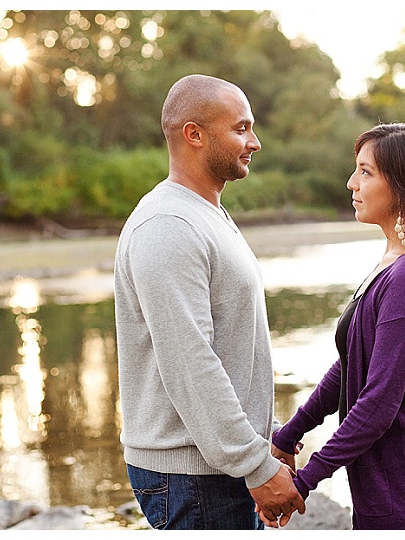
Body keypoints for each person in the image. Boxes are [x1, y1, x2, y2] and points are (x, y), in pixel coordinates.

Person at [270, 123, 405, 530]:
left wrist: (304, 482)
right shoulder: (394, 263)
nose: (352, 182)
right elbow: (351, 363)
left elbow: (377, 404)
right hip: (385, 478)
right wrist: (290, 433)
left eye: (366, 171)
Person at [114, 74, 305, 530]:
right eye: (241, 129)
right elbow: (190, 363)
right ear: (194, 134)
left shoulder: (206, 213)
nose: (255, 142)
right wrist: (255, 465)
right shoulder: (168, 226)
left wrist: (262, 445)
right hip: (193, 475)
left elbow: (230, 348)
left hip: (219, 464)